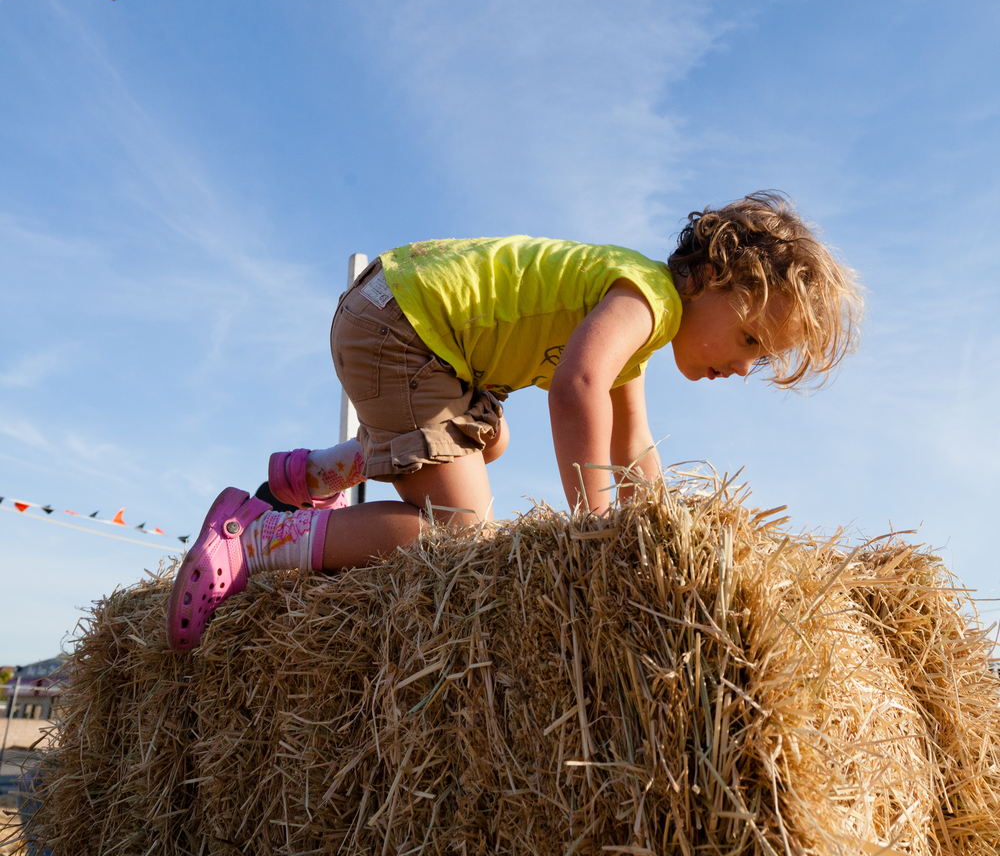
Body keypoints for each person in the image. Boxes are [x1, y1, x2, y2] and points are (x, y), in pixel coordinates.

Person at [166, 192, 863, 651]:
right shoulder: (646, 296)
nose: (744, 369)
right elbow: (575, 387)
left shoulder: (644, 322)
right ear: (711, 278)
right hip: (402, 329)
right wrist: (594, 531)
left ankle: (317, 473)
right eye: (749, 341)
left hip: (408, 320)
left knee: (489, 439)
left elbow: (634, 443)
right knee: (459, 534)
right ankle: (258, 537)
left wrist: (656, 537)